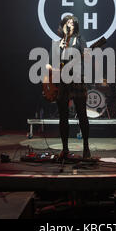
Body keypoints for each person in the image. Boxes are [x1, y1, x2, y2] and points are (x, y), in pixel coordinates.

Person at [46, 15, 91, 159]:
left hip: (77, 79)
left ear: (75, 26)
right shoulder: (57, 43)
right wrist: (50, 70)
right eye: (67, 22)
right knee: (63, 116)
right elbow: (51, 64)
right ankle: (65, 149)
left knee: (82, 114)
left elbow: (88, 57)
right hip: (62, 82)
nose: (70, 24)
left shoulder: (80, 40)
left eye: (72, 22)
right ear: (63, 25)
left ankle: (86, 147)